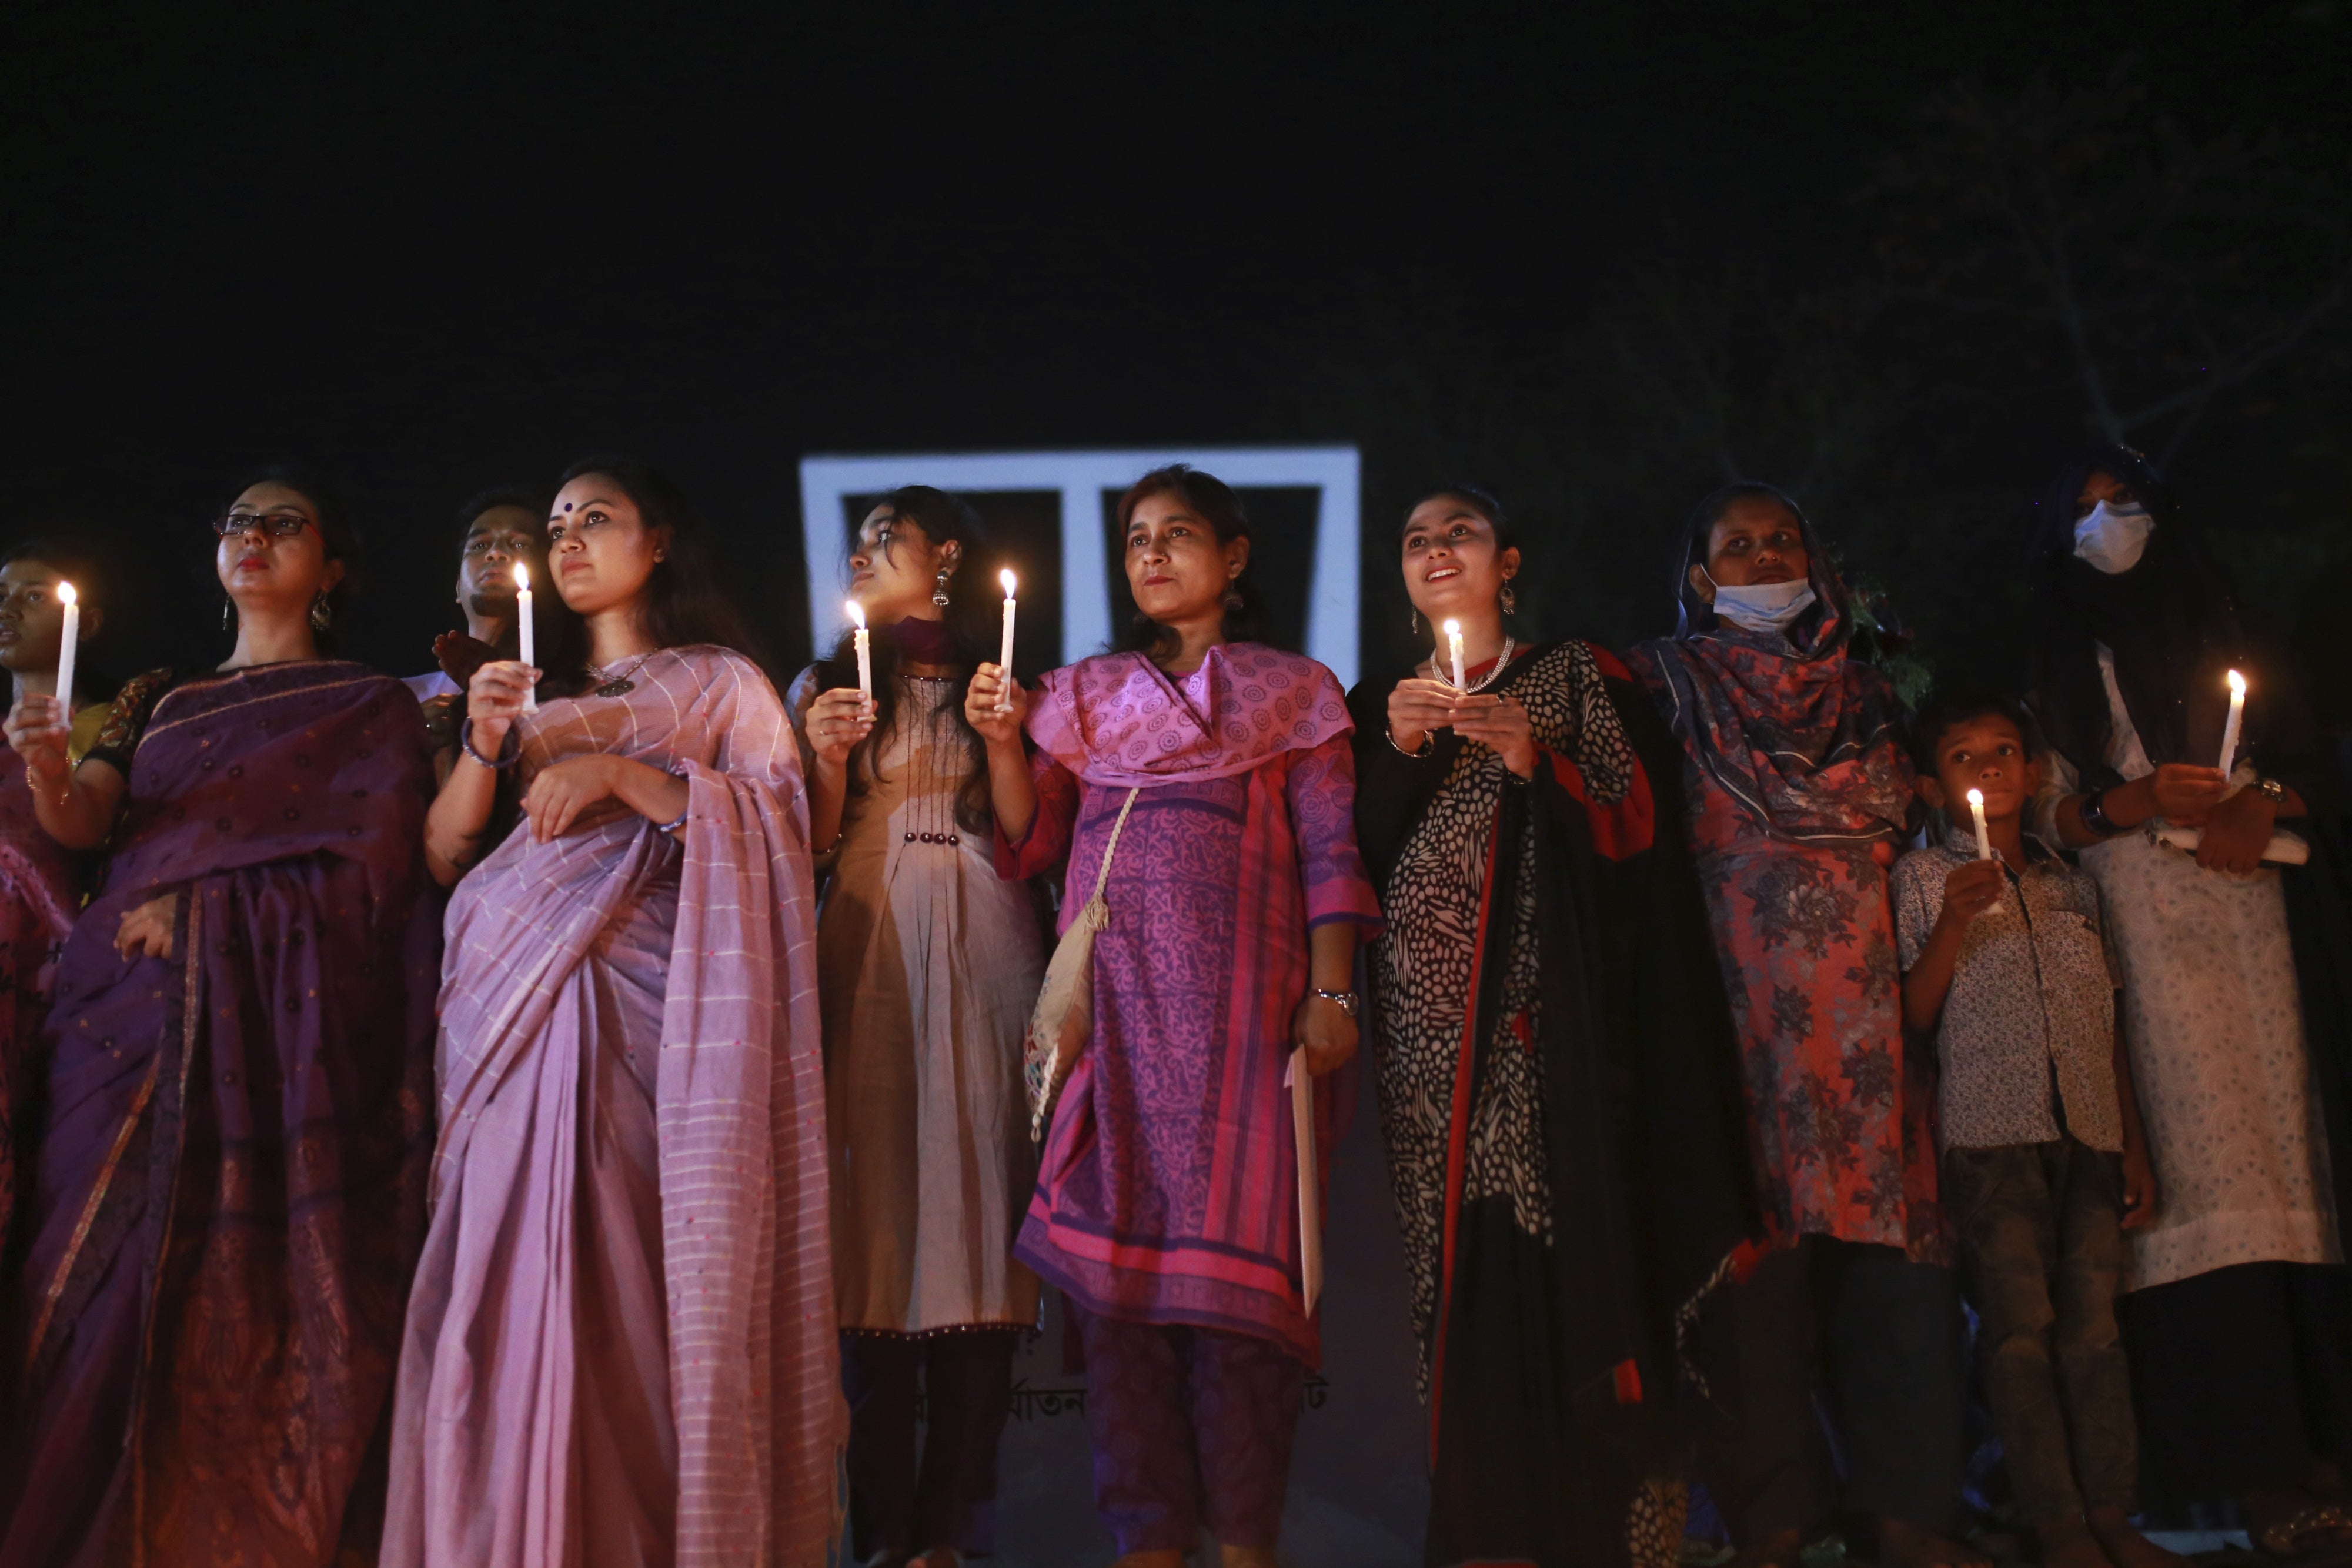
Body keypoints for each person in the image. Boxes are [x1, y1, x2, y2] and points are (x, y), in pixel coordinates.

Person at [383, 457, 838, 1568]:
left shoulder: (723, 683)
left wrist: (626, 777)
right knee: (500, 1276)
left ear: (661, 540)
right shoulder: (507, 687)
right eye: (557, 525)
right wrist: (492, 738)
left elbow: (788, 843)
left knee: (632, 1290)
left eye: (599, 518)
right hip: (510, 1007)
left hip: (652, 1020)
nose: (571, 538)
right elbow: (445, 850)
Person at [0, 469, 442, 1566]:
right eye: (238, 523)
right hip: (120, 1023)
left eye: (285, 523)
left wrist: (203, 915)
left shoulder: (369, 702)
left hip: (279, 1031)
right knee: (81, 1281)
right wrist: (49, 769)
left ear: (330, 565)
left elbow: (374, 886)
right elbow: (83, 823)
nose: (254, 539)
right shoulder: (161, 694)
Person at [968, 466, 1380, 1568]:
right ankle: (1145, 1543)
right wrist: (1007, 743)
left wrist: (1331, 997)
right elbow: (1033, 840)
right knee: (1121, 1306)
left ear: (1234, 558)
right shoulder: (1084, 695)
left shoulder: (1294, 690)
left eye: (1179, 534)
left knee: (1241, 1305)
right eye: (1136, 538)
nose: (1151, 554)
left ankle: (1243, 1545)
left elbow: (1333, 852)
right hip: (1115, 1022)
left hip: (1247, 1028)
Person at [1347, 487, 1758, 1568]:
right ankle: (1488, 1538)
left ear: (1509, 561)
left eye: (1460, 533)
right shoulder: (1382, 703)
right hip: (1424, 1051)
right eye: (1416, 539)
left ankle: (1602, 1534)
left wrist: (1539, 762)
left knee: (1558, 1260)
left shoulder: (1578, 675)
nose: (1437, 550)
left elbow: (1639, 832)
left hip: (1548, 1039)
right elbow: (1358, 867)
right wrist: (1396, 751)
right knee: (1460, 1286)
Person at [1627, 484, 1977, 1568]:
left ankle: (1910, 1513)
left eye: (1784, 540)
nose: (1768, 557)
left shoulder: (1874, 695)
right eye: (1740, 547)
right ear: (1699, 578)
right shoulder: (1662, 685)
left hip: (1877, 1019)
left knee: (1900, 1282)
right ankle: (1771, 1519)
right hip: (1741, 1016)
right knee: (1754, 1279)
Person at [2022, 444, 2352, 1559]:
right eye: (2081, 510)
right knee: (2196, 1178)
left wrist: (2262, 800)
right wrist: (2130, 799)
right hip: (2143, 934)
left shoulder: (2239, 626)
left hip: (2268, 916)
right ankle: (2252, 1475)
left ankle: (2330, 1447)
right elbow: (2044, 817)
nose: (2107, 523)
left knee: (2302, 1156)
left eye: (2125, 502)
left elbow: (2318, 759)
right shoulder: (2051, 651)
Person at [790, 486, 1045, 1568]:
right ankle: (887, 1537)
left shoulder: (1006, 677)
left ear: (945, 554)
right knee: (875, 1215)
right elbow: (801, 840)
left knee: (984, 1204)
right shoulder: (827, 681)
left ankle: (954, 1536)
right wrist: (828, 759)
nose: (859, 554)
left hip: (987, 934)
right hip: (865, 937)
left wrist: (1005, 741)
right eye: (854, 540)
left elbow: (1027, 833)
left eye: (882, 536)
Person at [1893, 686, 2181, 1568]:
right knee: (2019, 1331)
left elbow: (2108, 1018)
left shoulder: (2071, 884)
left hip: (2087, 1131)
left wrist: (2131, 1140)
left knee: (2094, 1328)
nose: (1988, 766)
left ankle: (2112, 1512)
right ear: (1934, 788)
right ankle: (2053, 1517)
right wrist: (1953, 921)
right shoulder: (1922, 879)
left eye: (2003, 749)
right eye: (1963, 756)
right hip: (1990, 1136)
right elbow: (1915, 1011)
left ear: (2034, 767)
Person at [0, 542, 103, 1261]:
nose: (7, 607)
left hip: (60, 976)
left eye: (33, 595)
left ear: (84, 623)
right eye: (4, 592)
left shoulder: (109, 735)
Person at [405, 488, 550, 761]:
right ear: (459, 588)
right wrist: (408, 737)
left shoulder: (572, 686)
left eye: (520, 544)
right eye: (480, 545)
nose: (496, 553)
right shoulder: (405, 699)